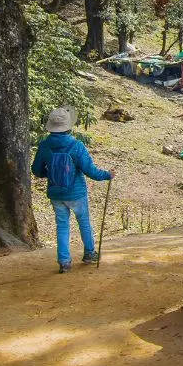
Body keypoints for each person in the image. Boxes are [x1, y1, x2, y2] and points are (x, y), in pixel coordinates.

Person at [31, 107, 113, 273]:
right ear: (68, 126)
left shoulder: (45, 146)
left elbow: (36, 170)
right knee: (84, 223)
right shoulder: (76, 146)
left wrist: (52, 173)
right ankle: (90, 254)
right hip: (76, 193)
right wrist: (107, 175)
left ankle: (64, 261)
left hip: (55, 193)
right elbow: (91, 171)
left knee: (62, 226)